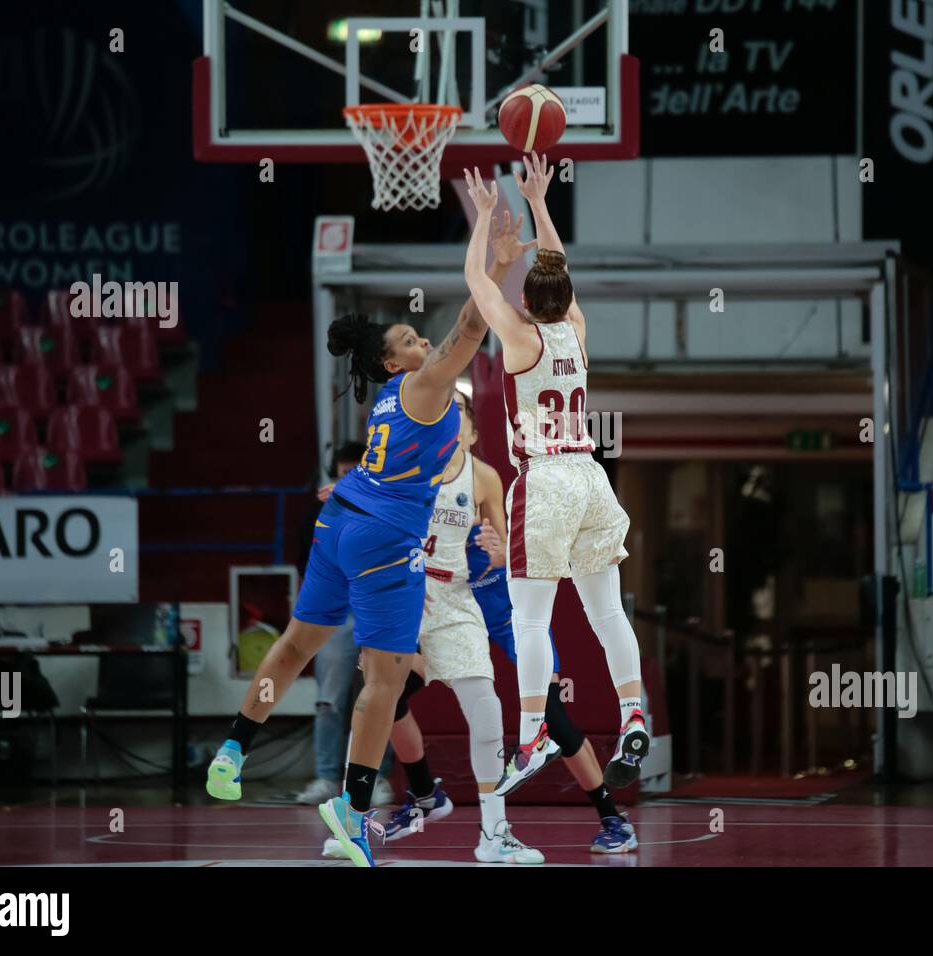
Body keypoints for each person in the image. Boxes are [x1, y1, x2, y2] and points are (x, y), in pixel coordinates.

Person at [205, 211, 532, 869]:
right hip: (384, 536)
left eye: (419, 336)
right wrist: (495, 264)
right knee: (380, 681)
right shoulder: (422, 384)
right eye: (412, 338)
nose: (423, 342)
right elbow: (471, 327)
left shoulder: (386, 393)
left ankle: (234, 747)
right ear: (395, 360)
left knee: (299, 643)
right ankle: (353, 812)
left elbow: (458, 336)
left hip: (339, 519)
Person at [322, 392, 637, 857]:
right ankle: (415, 796)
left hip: (491, 599)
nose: (449, 423)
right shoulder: (406, 466)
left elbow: (516, 555)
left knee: (550, 713)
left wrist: (497, 551)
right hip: (419, 595)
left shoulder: (486, 478)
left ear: (471, 433)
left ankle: (609, 816)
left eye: (460, 417)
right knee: (381, 696)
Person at [461, 156, 649, 796]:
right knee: (607, 615)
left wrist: (488, 218)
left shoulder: (519, 337)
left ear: (524, 300)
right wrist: (540, 203)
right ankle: (632, 715)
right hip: (592, 478)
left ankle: (533, 733)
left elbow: (473, 281)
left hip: (543, 483)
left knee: (530, 622)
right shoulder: (576, 332)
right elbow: (557, 270)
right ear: (565, 298)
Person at [292, 441, 395, 809]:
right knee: (329, 700)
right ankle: (326, 776)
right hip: (337, 611)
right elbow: (306, 567)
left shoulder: (390, 504)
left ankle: (378, 777)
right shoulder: (320, 511)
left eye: (357, 469)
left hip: (378, 606)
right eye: (343, 470)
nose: (348, 476)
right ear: (334, 471)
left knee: (379, 695)